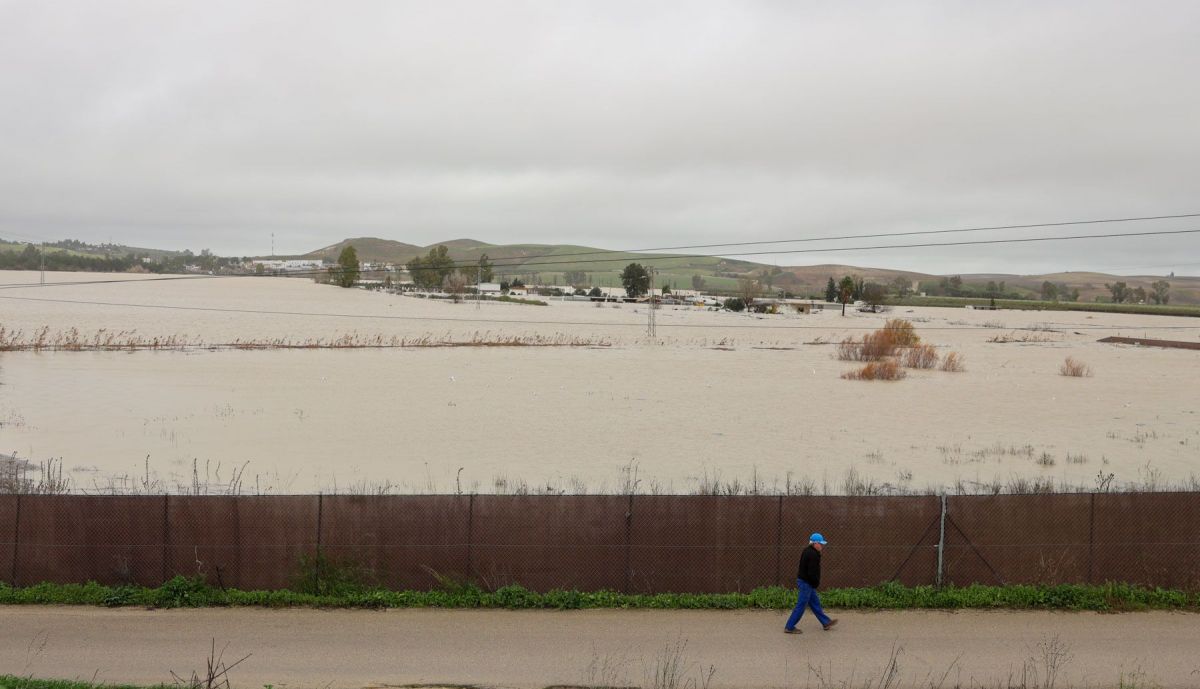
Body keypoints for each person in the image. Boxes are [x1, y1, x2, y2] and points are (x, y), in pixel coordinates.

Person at [784, 532, 838, 634]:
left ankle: (826, 622)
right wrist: (815, 583)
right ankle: (789, 627)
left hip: (806, 582)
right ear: (815, 543)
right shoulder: (813, 554)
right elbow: (812, 572)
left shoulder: (808, 551)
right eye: (820, 544)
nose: (822, 546)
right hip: (806, 583)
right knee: (801, 605)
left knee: (815, 603)